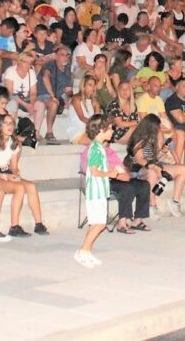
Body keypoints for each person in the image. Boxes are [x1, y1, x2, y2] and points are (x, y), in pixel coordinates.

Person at [0, 115, 50, 237]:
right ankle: (14, 226)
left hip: (6, 173)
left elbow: (13, 166)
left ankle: (39, 224)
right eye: (6, 123)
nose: (10, 126)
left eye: (11, 123)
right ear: (0, 126)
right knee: (19, 188)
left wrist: (16, 173)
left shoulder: (14, 143)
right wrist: (6, 177)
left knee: (31, 186)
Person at [76, 115, 115, 268]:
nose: (112, 131)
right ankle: (82, 251)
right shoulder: (96, 149)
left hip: (99, 191)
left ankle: (87, 252)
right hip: (95, 192)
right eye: (110, 128)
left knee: (97, 224)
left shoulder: (99, 147)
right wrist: (109, 174)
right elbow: (94, 171)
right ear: (101, 130)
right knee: (99, 224)